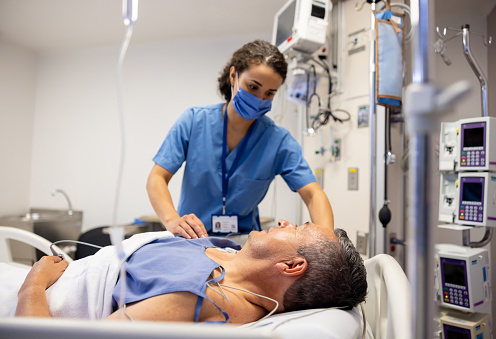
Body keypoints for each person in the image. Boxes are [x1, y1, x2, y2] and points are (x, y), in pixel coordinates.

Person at [146, 40, 334, 239]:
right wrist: (172, 220)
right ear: (234, 76)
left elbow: (313, 194)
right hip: (192, 238)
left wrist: (327, 243)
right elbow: (157, 178)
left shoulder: (278, 141)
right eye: (253, 87)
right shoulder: (194, 121)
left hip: (245, 245)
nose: (260, 99)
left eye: (269, 93)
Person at [14, 221, 367, 324]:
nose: (284, 221)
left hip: (28, 301)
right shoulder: (230, 253)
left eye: (298, 228)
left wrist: (33, 283)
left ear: (291, 266)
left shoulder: (202, 297)